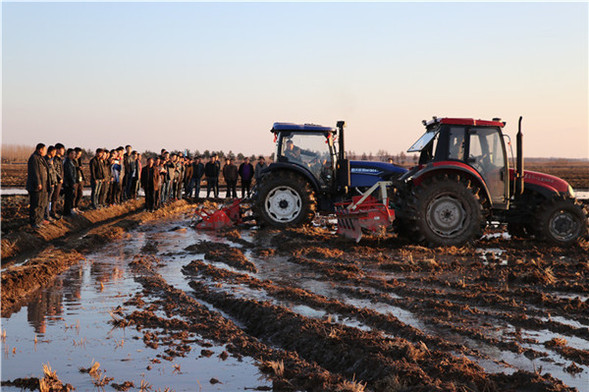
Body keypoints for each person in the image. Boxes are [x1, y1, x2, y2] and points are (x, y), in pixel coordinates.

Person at [26, 143, 50, 229]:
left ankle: (39, 221)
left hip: (43, 185)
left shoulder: (40, 158)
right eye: (45, 150)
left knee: (41, 204)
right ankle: (34, 222)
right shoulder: (34, 158)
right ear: (40, 150)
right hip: (35, 186)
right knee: (35, 205)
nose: (45, 152)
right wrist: (38, 183)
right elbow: (35, 172)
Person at [44, 146, 59, 221]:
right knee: (47, 200)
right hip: (48, 184)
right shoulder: (46, 160)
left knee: (49, 200)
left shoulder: (50, 160)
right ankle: (46, 216)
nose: (55, 154)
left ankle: (47, 215)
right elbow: (49, 173)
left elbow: (54, 172)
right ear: (51, 152)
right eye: (55, 152)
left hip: (52, 183)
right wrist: (51, 182)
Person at [63, 148, 78, 216]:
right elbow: (69, 174)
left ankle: (69, 211)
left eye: (74, 154)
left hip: (70, 182)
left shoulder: (71, 161)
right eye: (72, 153)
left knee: (70, 197)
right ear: (68, 154)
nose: (74, 155)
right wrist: (73, 182)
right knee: (68, 197)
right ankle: (67, 212)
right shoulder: (67, 162)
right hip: (68, 183)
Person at [51, 143, 65, 218]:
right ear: (58, 150)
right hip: (56, 181)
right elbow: (54, 170)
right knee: (54, 197)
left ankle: (53, 211)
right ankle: (52, 212)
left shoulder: (60, 159)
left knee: (56, 197)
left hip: (59, 181)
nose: (63, 151)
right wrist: (60, 178)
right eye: (62, 149)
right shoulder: (55, 159)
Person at [73, 147, 85, 212]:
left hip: (80, 179)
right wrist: (77, 168)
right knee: (75, 194)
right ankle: (73, 207)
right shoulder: (72, 160)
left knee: (80, 194)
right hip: (75, 179)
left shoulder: (79, 160)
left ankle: (76, 206)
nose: (79, 156)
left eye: (80, 154)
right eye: (78, 154)